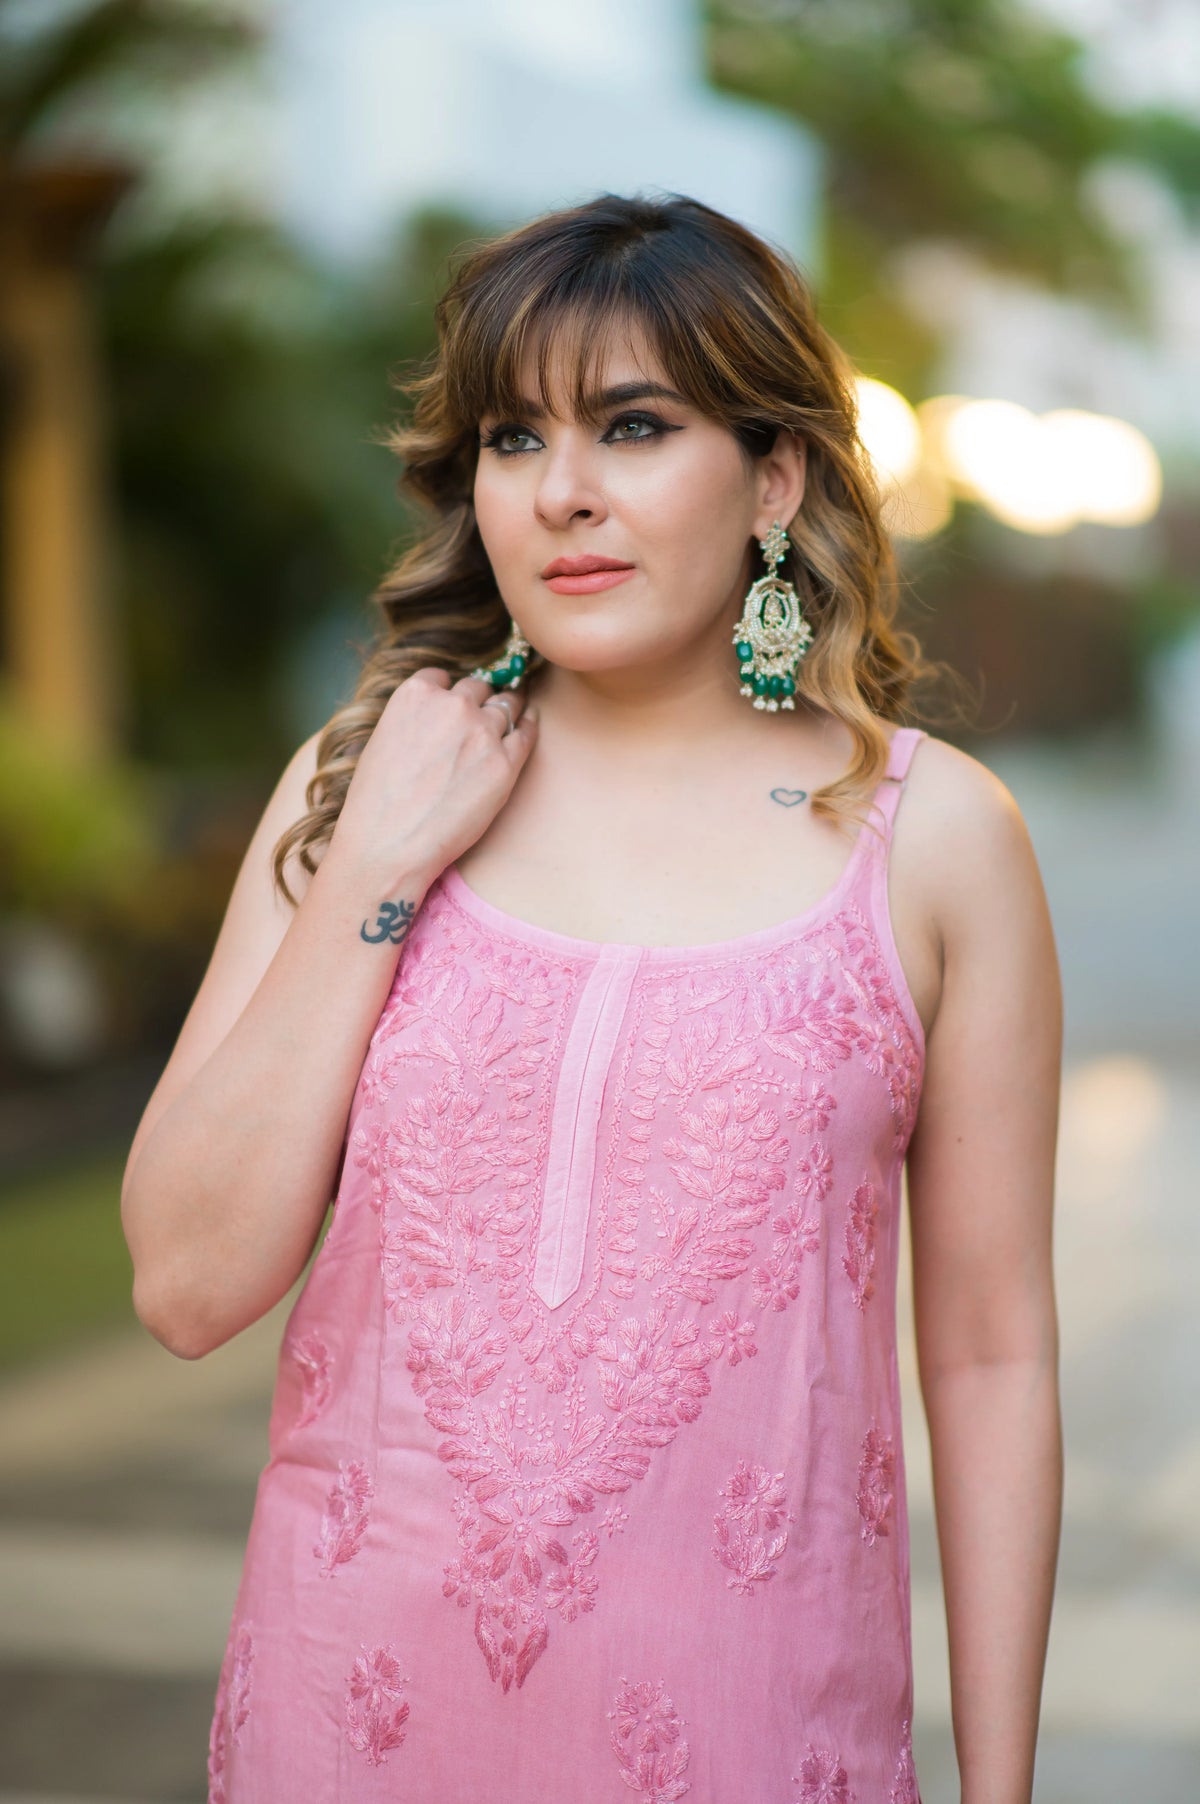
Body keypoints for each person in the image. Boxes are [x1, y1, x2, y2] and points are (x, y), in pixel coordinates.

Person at [120, 192, 1063, 1804]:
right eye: (509, 438)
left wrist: (1000, 1789)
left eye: (633, 427)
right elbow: (188, 1285)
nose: (562, 495)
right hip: (345, 1737)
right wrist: (373, 873)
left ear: (775, 477)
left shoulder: (935, 841)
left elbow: (987, 1357)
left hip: (767, 1745)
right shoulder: (355, 790)